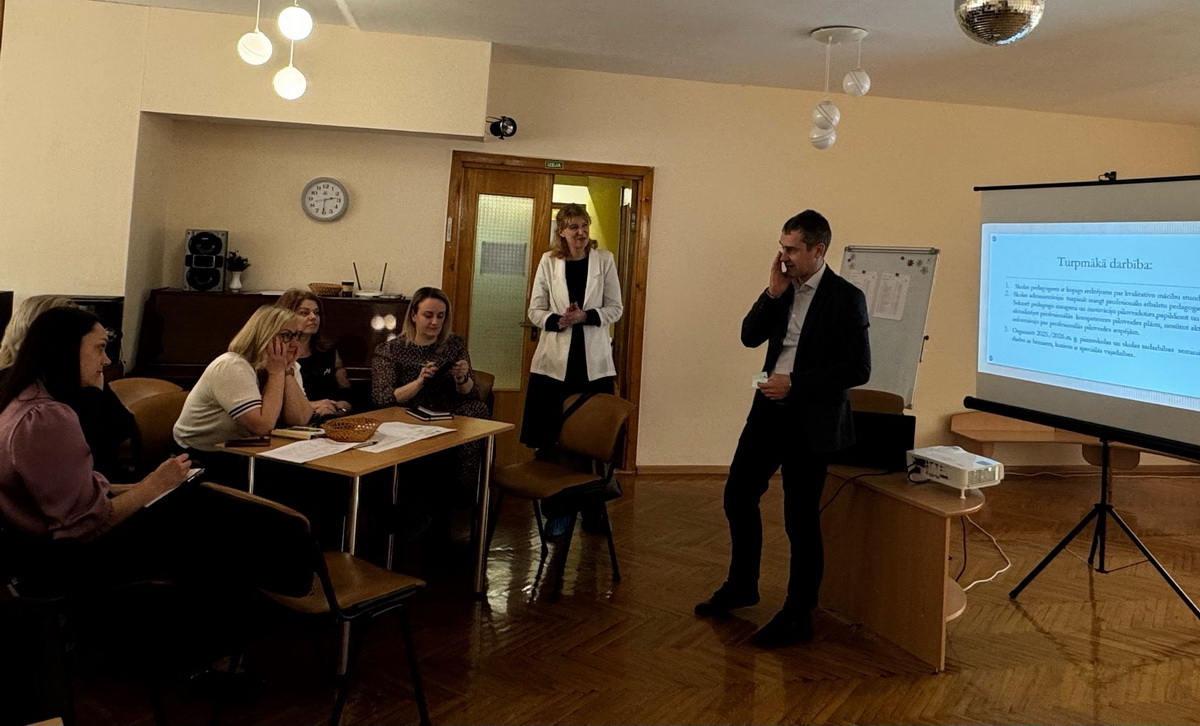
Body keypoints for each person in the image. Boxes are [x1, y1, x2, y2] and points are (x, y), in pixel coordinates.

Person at [0, 306, 312, 600]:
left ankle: (275, 589)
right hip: (61, 561)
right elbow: (85, 524)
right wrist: (154, 485)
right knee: (207, 519)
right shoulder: (47, 418)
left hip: (38, 549)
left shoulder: (23, 398)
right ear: (65, 350)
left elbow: (72, 491)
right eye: (99, 348)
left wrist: (144, 485)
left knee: (202, 503)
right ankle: (283, 594)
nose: (106, 360)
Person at [694, 210, 871, 649]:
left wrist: (796, 383)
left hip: (812, 419)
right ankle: (742, 585)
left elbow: (858, 368)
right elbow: (749, 336)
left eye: (792, 249)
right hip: (769, 409)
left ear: (818, 250)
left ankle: (798, 613)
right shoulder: (782, 289)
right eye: (782, 247)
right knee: (738, 494)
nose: (784, 256)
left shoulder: (846, 298)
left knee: (799, 517)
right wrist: (771, 294)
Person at [520, 203, 624, 535]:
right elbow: (535, 309)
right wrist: (558, 320)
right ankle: (558, 513)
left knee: (592, 442)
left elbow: (616, 308)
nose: (580, 232)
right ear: (561, 232)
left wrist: (586, 316)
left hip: (593, 366)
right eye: (573, 227)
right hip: (553, 366)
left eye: (584, 225)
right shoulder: (548, 261)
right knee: (552, 442)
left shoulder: (604, 260)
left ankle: (593, 511)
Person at [0, 295, 137, 482]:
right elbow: (90, 454)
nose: (106, 360)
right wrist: (94, 396)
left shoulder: (81, 378)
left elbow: (126, 431)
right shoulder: (36, 403)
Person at [372, 287, 488, 499]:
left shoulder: (454, 345)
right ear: (414, 315)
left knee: (478, 409)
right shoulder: (390, 350)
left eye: (440, 316)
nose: (435, 322)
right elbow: (382, 398)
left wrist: (462, 378)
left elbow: (472, 394)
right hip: (410, 416)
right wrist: (419, 382)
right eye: (428, 315)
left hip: (449, 415)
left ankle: (463, 491)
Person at [172, 305, 312, 480]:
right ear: (264, 335)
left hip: (245, 451)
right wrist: (277, 372)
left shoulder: (284, 364)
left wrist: (287, 372)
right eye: (286, 335)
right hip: (199, 458)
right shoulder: (232, 366)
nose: (295, 344)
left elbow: (301, 419)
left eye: (297, 335)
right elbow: (262, 427)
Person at [276, 288, 357, 419]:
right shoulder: (277, 354)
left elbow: (347, 395)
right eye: (304, 313)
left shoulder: (329, 351)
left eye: (316, 313)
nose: (313, 317)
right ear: (286, 316)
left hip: (329, 419)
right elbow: (274, 403)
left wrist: (338, 409)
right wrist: (312, 406)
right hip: (291, 421)